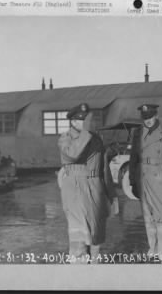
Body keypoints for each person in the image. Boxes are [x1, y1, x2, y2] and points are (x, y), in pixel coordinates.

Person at [57, 103, 115, 264]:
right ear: (73, 122)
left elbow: (104, 169)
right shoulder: (65, 138)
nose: (86, 123)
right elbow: (73, 155)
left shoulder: (96, 139)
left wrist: (112, 195)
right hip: (75, 188)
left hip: (95, 188)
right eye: (82, 120)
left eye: (88, 119)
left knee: (96, 238)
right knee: (79, 240)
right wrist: (85, 133)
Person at [129, 104, 162, 262]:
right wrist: (132, 181)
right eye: (145, 118)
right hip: (143, 178)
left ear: (156, 115)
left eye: (150, 117)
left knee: (160, 218)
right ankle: (152, 250)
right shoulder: (137, 133)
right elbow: (133, 159)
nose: (148, 120)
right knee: (147, 218)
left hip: (159, 177)